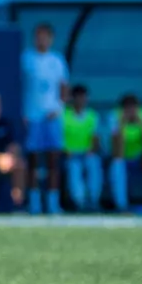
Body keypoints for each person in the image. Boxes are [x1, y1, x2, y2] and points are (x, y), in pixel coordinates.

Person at [21, 23, 69, 215]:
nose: (41, 40)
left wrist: (58, 108)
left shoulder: (57, 61)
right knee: (32, 161)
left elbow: (64, 87)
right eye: (38, 36)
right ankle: (34, 203)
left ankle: (52, 203)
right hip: (32, 117)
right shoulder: (25, 59)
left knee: (53, 162)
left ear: (51, 39)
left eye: (45, 36)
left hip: (52, 118)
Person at [107, 93, 142, 212]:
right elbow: (116, 151)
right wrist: (122, 124)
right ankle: (121, 205)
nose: (131, 111)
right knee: (117, 164)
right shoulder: (114, 117)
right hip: (123, 156)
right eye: (127, 107)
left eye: (133, 107)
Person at [60, 84, 103, 212]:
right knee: (74, 167)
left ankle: (93, 200)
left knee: (94, 163)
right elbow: (59, 138)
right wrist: (67, 151)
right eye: (78, 97)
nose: (81, 100)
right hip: (69, 155)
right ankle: (80, 202)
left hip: (87, 153)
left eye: (84, 97)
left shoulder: (92, 116)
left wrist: (90, 150)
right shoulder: (64, 115)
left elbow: (96, 139)